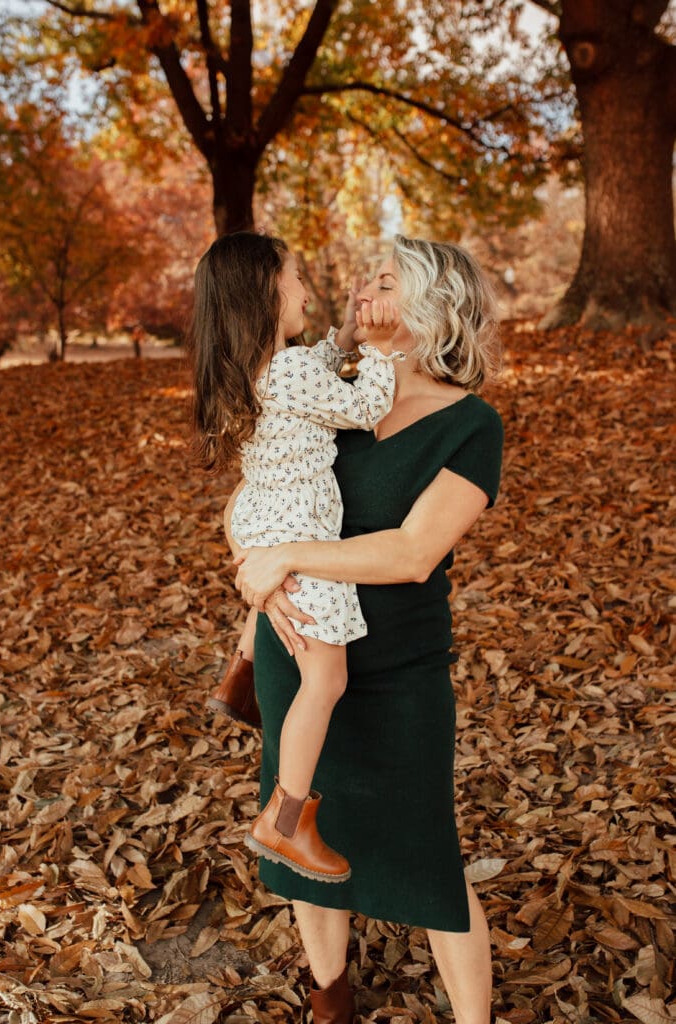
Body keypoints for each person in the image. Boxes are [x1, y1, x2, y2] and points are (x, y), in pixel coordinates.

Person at [229, 234, 504, 1024]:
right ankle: (331, 996)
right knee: (306, 835)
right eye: (362, 279)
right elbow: (248, 496)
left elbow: (413, 552)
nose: (358, 291)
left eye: (384, 281)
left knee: (425, 849)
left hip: (399, 667)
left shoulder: (469, 426)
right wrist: (253, 564)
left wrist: (284, 553)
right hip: (304, 646)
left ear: (433, 307)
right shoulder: (334, 391)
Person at [189, 231, 403, 886]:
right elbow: (367, 405)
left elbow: (316, 367)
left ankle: (240, 676)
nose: (308, 291)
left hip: (263, 512)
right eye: (297, 281)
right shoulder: (285, 373)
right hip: (299, 532)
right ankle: (285, 819)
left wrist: (341, 336)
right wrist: (381, 349)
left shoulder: (260, 365)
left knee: (287, 632)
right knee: (326, 678)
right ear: (265, 295)